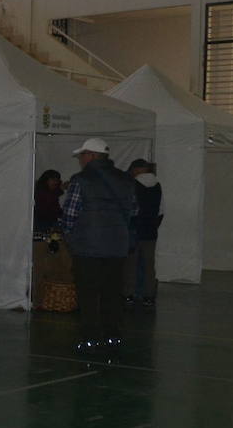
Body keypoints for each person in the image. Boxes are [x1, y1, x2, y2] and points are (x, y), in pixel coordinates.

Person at [60, 138, 137, 354]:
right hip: (117, 246)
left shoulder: (80, 180)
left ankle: (90, 336)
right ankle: (113, 334)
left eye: (82, 155)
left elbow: (70, 214)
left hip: (88, 247)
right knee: (112, 292)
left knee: (88, 293)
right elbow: (134, 210)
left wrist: (70, 237)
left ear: (91, 156)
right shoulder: (125, 179)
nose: (80, 160)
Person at [125, 159, 164, 306]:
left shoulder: (131, 185)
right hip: (151, 231)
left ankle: (129, 294)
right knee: (149, 264)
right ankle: (149, 295)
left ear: (136, 169)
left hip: (134, 229)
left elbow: (129, 209)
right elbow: (161, 210)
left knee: (130, 264)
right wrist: (153, 225)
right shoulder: (158, 186)